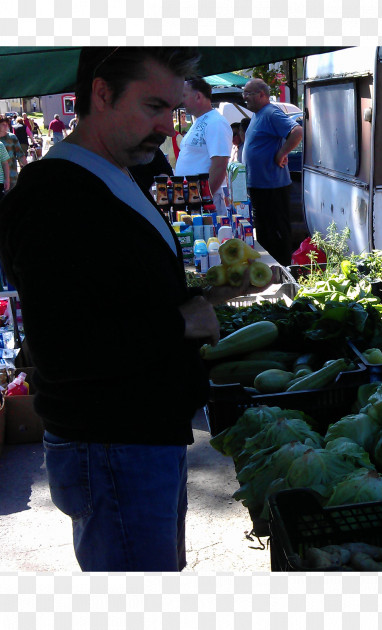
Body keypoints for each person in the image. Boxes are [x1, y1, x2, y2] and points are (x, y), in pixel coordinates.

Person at [0, 47, 283, 572]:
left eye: (172, 110)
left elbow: (116, 297)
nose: (165, 126)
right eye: (153, 106)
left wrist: (211, 295)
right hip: (112, 447)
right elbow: (64, 348)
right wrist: (179, 321)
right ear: (101, 92)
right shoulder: (54, 199)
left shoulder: (118, 171)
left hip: (142, 438)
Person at [241, 78, 303, 265]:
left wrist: (282, 153)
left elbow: (297, 131)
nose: (245, 98)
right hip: (261, 187)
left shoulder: (270, 112)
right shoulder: (259, 114)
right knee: (265, 233)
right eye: (243, 94)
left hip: (272, 188)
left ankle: (282, 269)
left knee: (277, 234)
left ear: (262, 94)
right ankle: (270, 270)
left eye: (248, 94)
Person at [174, 76, 231, 215]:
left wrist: (202, 199)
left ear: (198, 96)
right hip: (192, 201)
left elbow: (219, 166)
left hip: (204, 205)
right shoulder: (200, 121)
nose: (182, 101)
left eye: (184, 95)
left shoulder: (216, 122)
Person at [0, 117, 26, 188]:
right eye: (3, 124)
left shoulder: (12, 137)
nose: (6, 126)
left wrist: (28, 169)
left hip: (12, 176)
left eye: (7, 124)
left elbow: (20, 155)